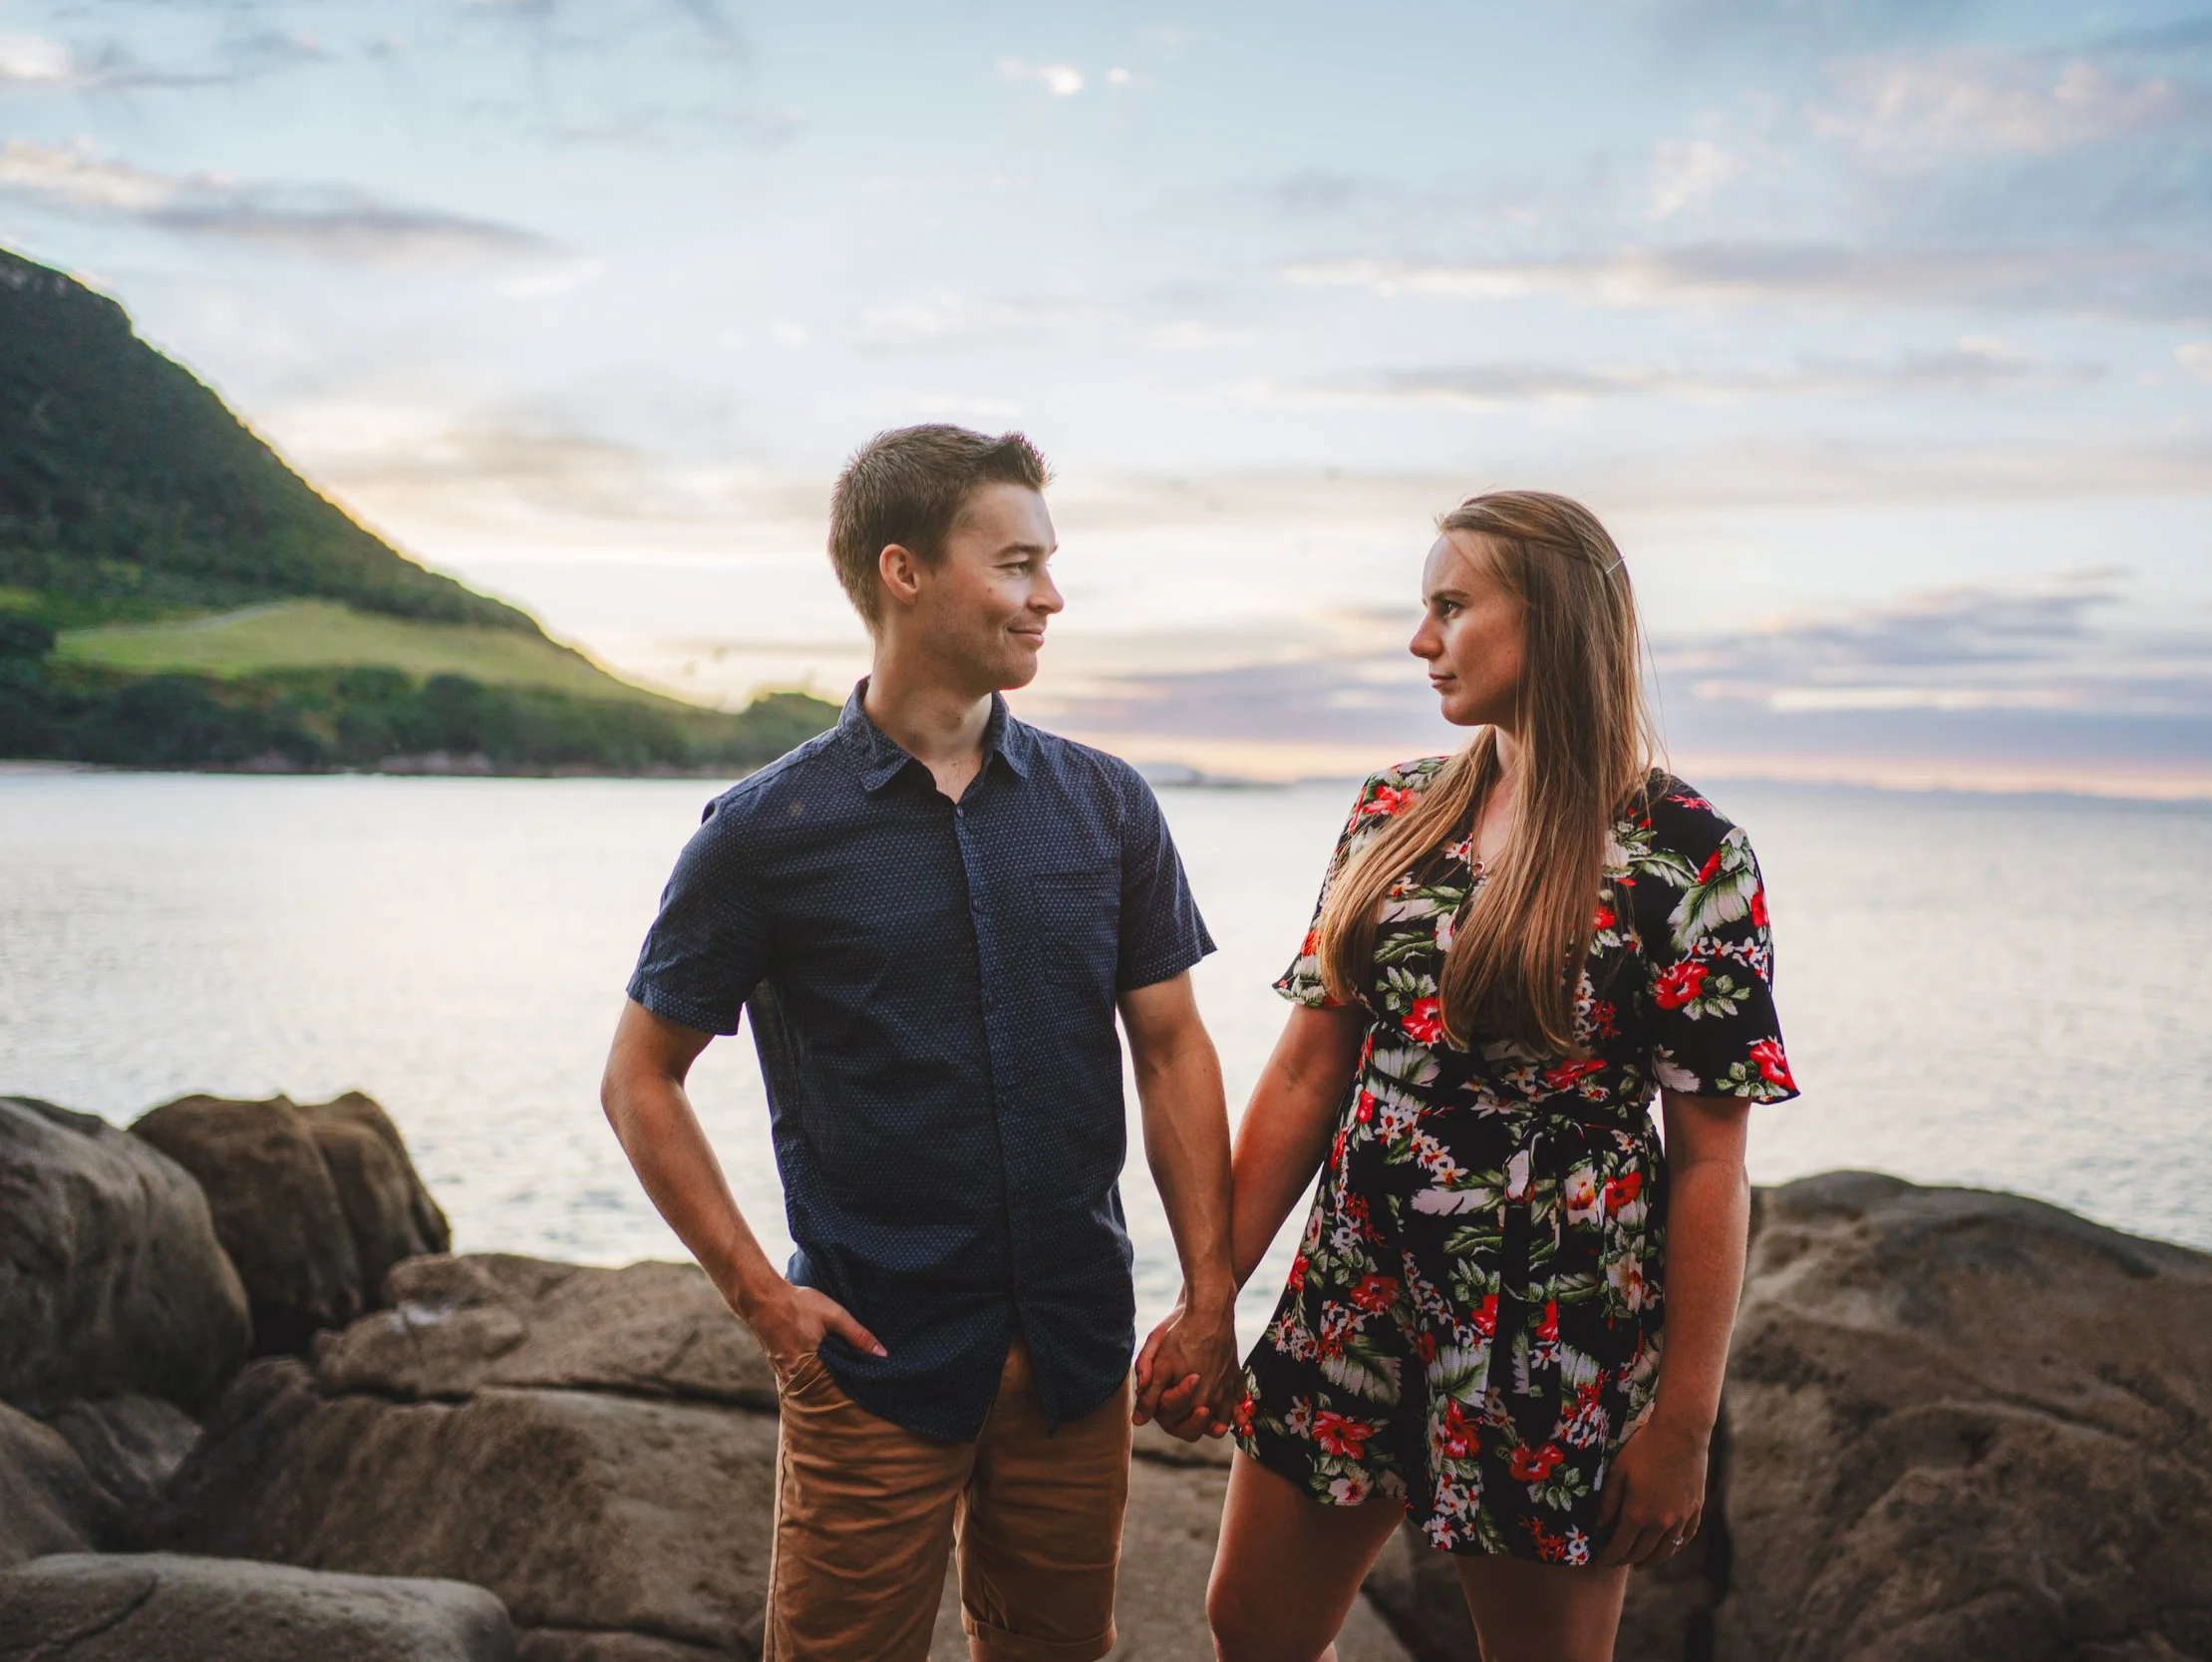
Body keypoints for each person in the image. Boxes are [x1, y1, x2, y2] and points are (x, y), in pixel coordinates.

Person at [601, 425, 1242, 1662]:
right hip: (872, 1361)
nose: (1048, 594)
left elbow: (1172, 1050)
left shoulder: (1106, 804)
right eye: (1013, 564)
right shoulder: (763, 832)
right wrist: (763, 1302)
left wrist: (1211, 1295)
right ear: (904, 572)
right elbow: (641, 1076)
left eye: (1047, 565)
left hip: (1073, 1347)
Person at [1145, 491, 1798, 1662]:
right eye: (1423, 607)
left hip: (1553, 1323)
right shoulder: (1396, 809)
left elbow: (1710, 1156)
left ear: (1547, 620)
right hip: (1354, 1286)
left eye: (1450, 605)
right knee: (1250, 1622)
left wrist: (1683, 1423)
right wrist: (1210, 1299)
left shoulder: (1689, 854)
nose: (1420, 638)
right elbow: (1306, 1073)